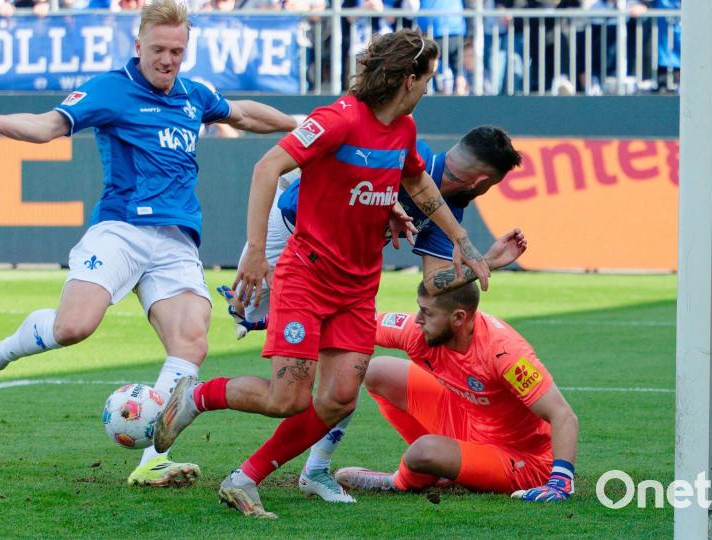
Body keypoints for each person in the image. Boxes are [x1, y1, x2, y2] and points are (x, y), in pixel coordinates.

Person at [0, 0, 297, 489]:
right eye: (158, 50)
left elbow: (244, 114)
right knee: (73, 328)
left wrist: (302, 128)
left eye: (177, 50)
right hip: (121, 229)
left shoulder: (195, 93)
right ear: (138, 46)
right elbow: (48, 126)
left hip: (176, 240)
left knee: (192, 341)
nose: (168, 60)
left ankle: (152, 458)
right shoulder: (111, 89)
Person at [152, 29, 492, 518]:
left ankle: (244, 478)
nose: (428, 88)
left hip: (357, 288)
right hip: (307, 276)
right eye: (427, 79)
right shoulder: (338, 119)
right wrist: (253, 252)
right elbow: (268, 167)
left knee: (338, 398)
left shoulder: (404, 130)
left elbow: (415, 180)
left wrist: (460, 239)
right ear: (406, 79)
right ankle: (196, 397)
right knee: (287, 397)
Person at [216, 126, 526, 503]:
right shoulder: (407, 158)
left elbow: (433, 283)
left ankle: (313, 470)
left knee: (349, 368)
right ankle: (199, 397)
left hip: (343, 274)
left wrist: (486, 262)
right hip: (293, 243)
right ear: (483, 180)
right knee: (289, 396)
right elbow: (292, 205)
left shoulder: (449, 205)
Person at [331, 282, 579, 503]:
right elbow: (361, 326)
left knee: (423, 451)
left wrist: (560, 482)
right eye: (420, 308)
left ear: (458, 318)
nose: (417, 319)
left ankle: (398, 482)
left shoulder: (504, 353)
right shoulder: (419, 330)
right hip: (467, 418)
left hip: (518, 457)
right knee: (377, 371)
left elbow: (563, 415)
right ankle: (440, 470)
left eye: (427, 313)